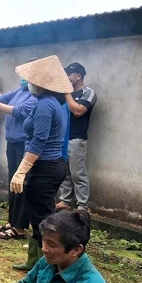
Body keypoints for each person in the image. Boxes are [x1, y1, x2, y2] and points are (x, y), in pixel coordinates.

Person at [7, 55, 71, 271]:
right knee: (42, 216)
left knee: (42, 219)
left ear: (41, 84)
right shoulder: (51, 103)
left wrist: (22, 170)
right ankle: (37, 262)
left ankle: (46, 265)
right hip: (50, 166)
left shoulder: (45, 105)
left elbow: (39, 140)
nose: (29, 84)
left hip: (44, 167)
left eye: (31, 80)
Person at [0, 67, 38, 239]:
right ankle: (12, 220)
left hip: (24, 144)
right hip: (12, 142)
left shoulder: (35, 96)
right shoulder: (20, 90)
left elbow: (19, 111)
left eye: (25, 77)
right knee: (13, 182)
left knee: (21, 184)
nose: (22, 79)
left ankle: (19, 228)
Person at [57, 63, 97, 212]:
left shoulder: (88, 93)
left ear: (78, 76)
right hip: (62, 138)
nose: (66, 77)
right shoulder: (63, 94)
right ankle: (65, 201)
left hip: (76, 138)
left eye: (69, 74)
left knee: (77, 173)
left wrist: (67, 93)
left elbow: (78, 111)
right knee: (64, 172)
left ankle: (82, 205)